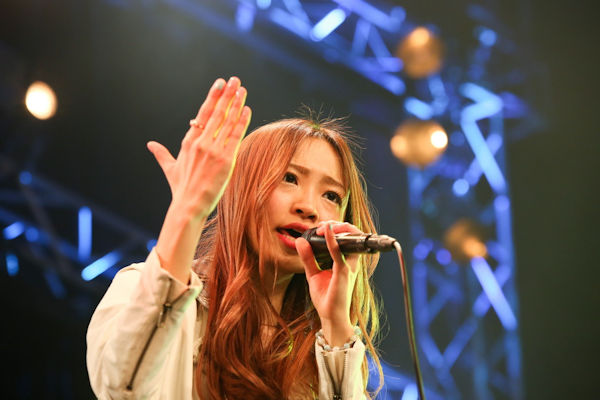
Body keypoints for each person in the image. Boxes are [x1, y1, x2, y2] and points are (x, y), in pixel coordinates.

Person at [86, 77, 383, 399]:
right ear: (239, 189)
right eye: (289, 178)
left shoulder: (322, 354)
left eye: (331, 195)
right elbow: (121, 388)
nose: (309, 207)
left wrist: (336, 325)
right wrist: (187, 210)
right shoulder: (140, 288)